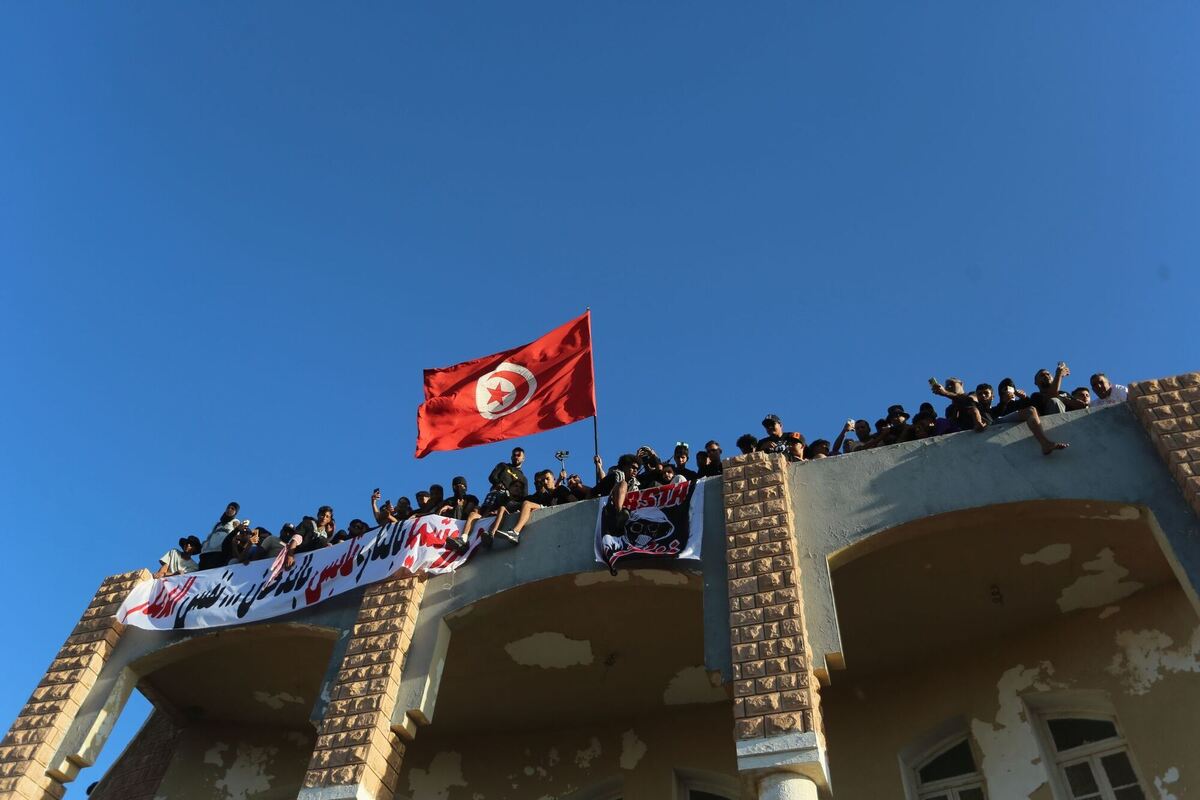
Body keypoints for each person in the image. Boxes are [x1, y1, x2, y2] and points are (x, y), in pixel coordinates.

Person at [956, 383, 1069, 455]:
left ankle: (1045, 443)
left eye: (986, 393)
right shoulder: (973, 404)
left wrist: (1008, 400)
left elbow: (999, 410)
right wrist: (978, 422)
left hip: (996, 422)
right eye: (980, 394)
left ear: (992, 396)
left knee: (1031, 410)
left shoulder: (996, 409)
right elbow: (973, 410)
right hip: (990, 426)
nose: (983, 396)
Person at [493, 470, 574, 544]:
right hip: (546, 511)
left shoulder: (560, 489)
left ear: (554, 479)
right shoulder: (546, 495)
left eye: (547, 479)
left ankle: (515, 532)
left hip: (557, 515)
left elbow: (574, 500)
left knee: (527, 504)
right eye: (542, 481)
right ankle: (492, 534)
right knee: (525, 504)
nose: (545, 482)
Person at [595, 454, 640, 534]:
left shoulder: (635, 483)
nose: (635, 470)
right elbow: (600, 485)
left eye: (637, 468)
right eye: (632, 467)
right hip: (609, 510)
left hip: (628, 516)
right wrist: (599, 466)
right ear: (624, 467)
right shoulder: (614, 476)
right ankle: (619, 512)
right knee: (623, 483)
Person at [199, 502, 242, 570]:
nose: (229, 509)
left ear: (236, 512)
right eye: (228, 508)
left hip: (220, 551)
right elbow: (210, 536)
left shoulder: (235, 522)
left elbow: (236, 536)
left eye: (232, 509)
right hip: (208, 551)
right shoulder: (218, 524)